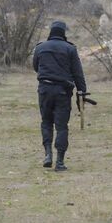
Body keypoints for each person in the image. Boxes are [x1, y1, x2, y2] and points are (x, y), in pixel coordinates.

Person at [33, 21, 87, 171]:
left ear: (51, 32)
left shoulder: (40, 47)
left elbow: (35, 67)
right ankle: (60, 162)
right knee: (62, 126)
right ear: (64, 33)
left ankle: (48, 154)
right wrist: (82, 90)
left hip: (44, 90)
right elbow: (77, 73)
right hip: (62, 92)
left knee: (46, 122)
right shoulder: (70, 49)